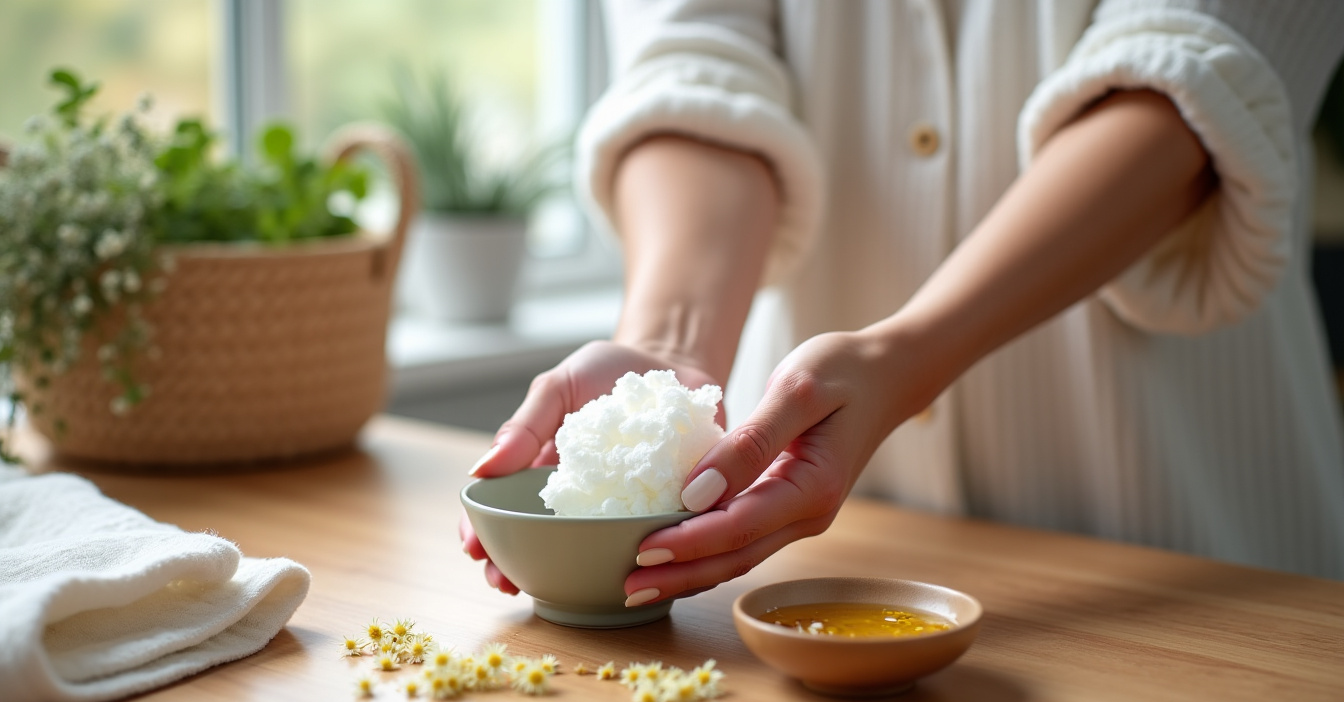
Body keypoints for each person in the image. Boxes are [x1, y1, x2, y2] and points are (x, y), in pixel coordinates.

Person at [463, 1, 1344, 599]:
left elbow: (1197, 72)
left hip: (1190, 560)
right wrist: (670, 354)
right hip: (828, 570)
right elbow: (697, 68)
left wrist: (904, 358)